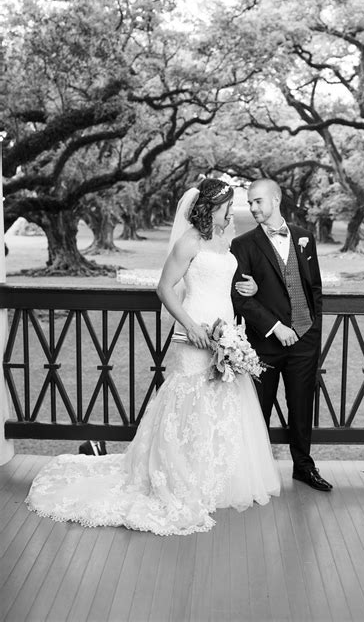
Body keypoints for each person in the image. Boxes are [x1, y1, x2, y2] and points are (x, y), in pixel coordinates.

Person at [25, 179, 280, 535]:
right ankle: (179, 476)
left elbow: (226, 283)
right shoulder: (189, 241)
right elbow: (164, 288)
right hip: (195, 329)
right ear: (212, 207)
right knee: (190, 398)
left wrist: (243, 305)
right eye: (227, 205)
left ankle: (217, 478)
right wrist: (190, 325)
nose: (230, 211)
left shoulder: (223, 240)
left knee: (222, 399)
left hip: (225, 329)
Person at [231, 178, 333, 492]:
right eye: (249, 203)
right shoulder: (243, 245)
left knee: (301, 407)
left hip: (305, 341)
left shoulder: (305, 237)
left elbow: (313, 288)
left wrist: (312, 330)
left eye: (258, 201)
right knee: (258, 408)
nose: (253, 208)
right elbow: (241, 297)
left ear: (276, 199)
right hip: (265, 344)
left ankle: (304, 467)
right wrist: (276, 328)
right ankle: (256, 472)